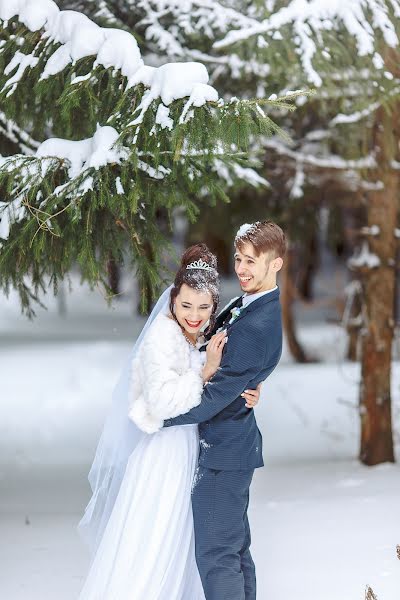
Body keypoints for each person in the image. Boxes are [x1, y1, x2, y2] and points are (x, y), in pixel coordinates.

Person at [77, 243, 260, 599]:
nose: (194, 314)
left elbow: (223, 383)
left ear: (214, 306)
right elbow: (161, 402)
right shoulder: (161, 339)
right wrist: (204, 373)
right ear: (173, 300)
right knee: (156, 538)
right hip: (165, 454)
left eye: (204, 307)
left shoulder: (199, 336)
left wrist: (250, 391)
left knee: (186, 541)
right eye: (186, 305)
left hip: (193, 450)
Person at [162, 221, 286, 600]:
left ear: (276, 264)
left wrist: (159, 416)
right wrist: (248, 379)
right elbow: (232, 372)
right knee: (233, 551)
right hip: (233, 448)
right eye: (238, 258)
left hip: (223, 454)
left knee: (216, 555)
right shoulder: (247, 305)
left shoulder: (256, 325)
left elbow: (213, 398)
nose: (243, 269)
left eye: (253, 261)